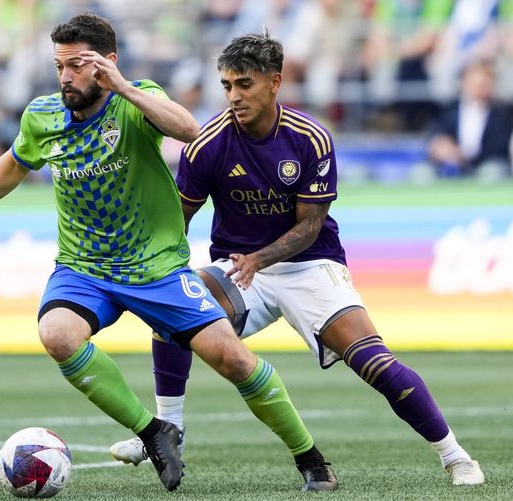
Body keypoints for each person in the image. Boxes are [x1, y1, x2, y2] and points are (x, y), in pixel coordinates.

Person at [0, 13, 337, 493]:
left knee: (233, 360)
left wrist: (122, 88)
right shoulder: (43, 116)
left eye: (77, 65)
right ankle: (154, 431)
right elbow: (14, 165)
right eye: (60, 65)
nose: (65, 77)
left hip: (155, 266)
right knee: (57, 334)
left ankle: (311, 460)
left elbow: (189, 130)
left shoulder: (136, 100)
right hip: (84, 268)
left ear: (106, 63)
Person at [109, 32, 486, 487]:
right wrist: (155, 271)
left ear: (275, 82)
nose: (234, 96)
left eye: (244, 84)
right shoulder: (206, 143)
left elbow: (309, 227)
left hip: (309, 265)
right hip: (238, 268)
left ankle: (456, 456)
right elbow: (179, 219)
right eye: (227, 85)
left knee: (374, 362)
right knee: (172, 310)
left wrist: (259, 260)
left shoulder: (310, 138)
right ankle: (171, 428)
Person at [427, 60, 512, 179]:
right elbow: (436, 133)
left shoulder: (502, 113)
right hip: (452, 164)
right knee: (424, 172)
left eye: (484, 84)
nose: (480, 89)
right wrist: (441, 146)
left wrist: (463, 156)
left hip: (487, 164)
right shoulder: (449, 110)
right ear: (464, 83)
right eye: (476, 84)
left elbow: (501, 147)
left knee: (492, 171)